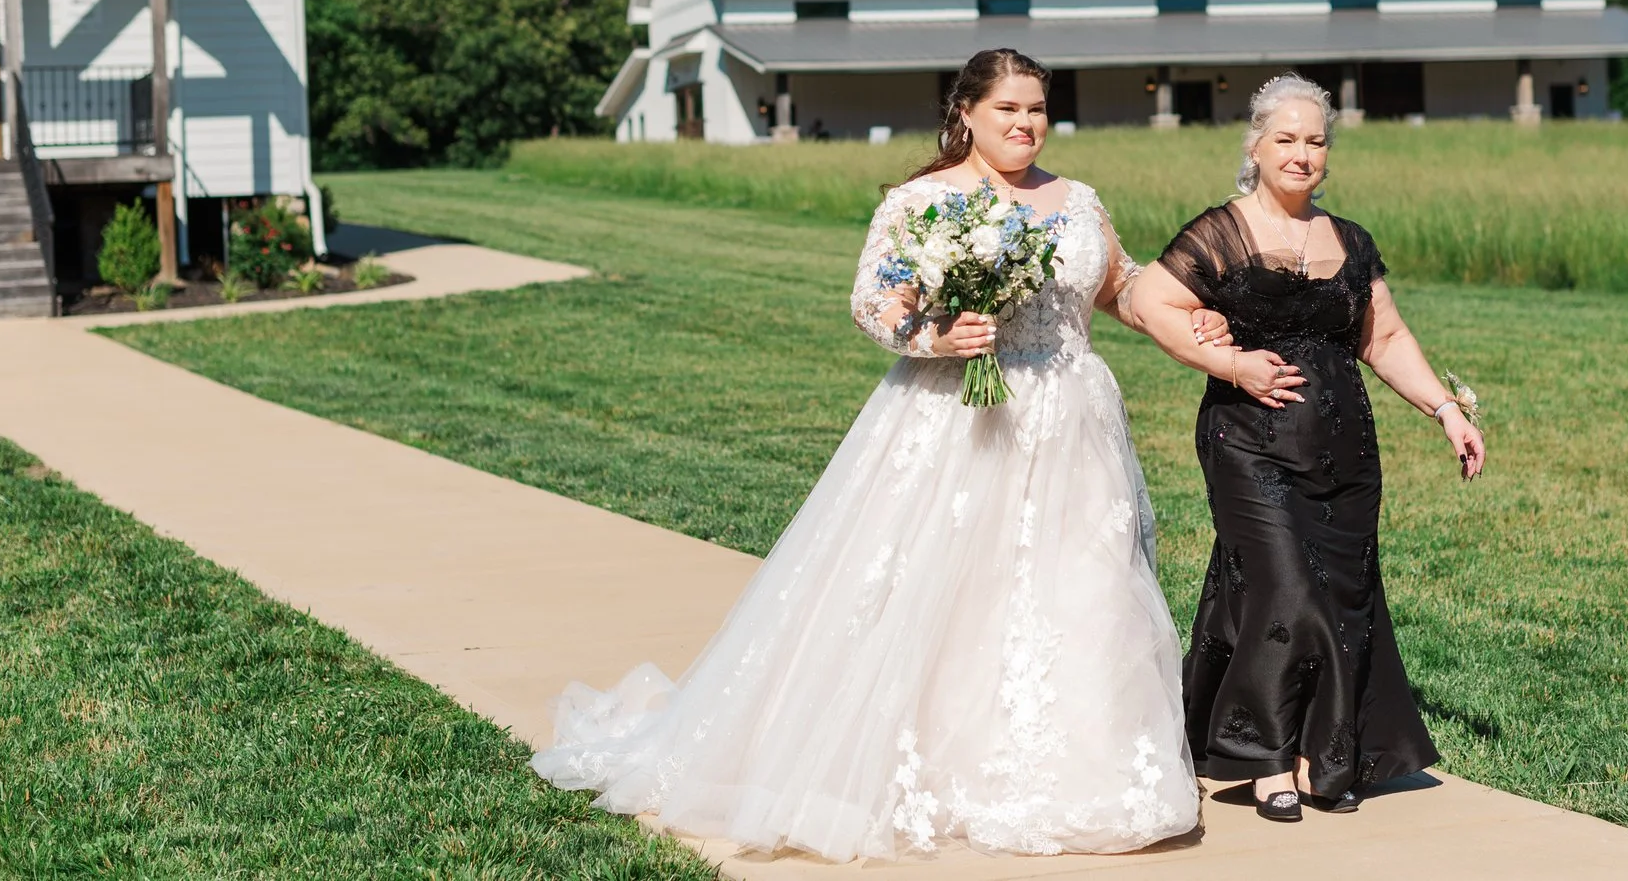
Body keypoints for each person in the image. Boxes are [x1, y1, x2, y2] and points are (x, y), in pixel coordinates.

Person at [533, 48, 1226, 861]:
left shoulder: (1076, 202)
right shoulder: (921, 203)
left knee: (1081, 586)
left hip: (1072, 423)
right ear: (966, 111)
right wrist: (934, 335)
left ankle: (1088, 768)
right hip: (956, 420)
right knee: (940, 586)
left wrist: (1187, 314)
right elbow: (872, 300)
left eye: (1038, 108)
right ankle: (927, 759)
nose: (1026, 124)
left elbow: (1120, 287)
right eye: (1008, 109)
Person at [1127, 73, 1485, 824]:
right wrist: (1228, 361)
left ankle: (1314, 755)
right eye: (1284, 139)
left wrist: (1446, 410)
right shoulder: (1220, 232)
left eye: (1315, 140)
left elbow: (1382, 337)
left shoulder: (1350, 241)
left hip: (1345, 450)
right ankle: (1263, 757)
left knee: (1339, 599)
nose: (1301, 153)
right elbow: (1148, 300)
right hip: (1248, 442)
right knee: (1286, 588)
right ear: (1254, 146)